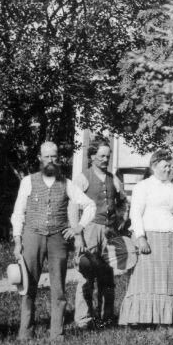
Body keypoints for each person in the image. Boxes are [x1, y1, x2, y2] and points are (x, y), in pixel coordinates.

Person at [10, 141, 97, 341]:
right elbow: (18, 212)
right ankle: (25, 333)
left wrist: (78, 228)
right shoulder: (28, 181)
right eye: (46, 156)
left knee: (58, 287)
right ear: (40, 158)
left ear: (58, 158)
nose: (50, 160)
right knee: (28, 285)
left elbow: (90, 205)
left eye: (54, 156)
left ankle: (57, 333)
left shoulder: (66, 183)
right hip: (32, 236)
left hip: (58, 238)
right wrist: (17, 240)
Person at [118, 149, 173, 328]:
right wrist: (140, 237)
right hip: (150, 238)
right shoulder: (143, 186)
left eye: (170, 166)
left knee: (169, 280)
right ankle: (142, 319)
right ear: (153, 166)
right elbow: (135, 213)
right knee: (147, 280)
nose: (168, 169)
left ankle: (167, 319)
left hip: (172, 239)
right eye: (165, 166)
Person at [69, 137, 127, 329]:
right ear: (92, 156)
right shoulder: (83, 178)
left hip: (109, 231)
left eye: (107, 156)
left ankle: (106, 317)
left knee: (107, 275)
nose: (105, 159)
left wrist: (121, 219)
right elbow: (73, 207)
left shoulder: (113, 178)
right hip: (90, 229)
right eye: (101, 156)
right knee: (86, 274)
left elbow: (123, 201)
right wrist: (77, 234)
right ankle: (83, 319)